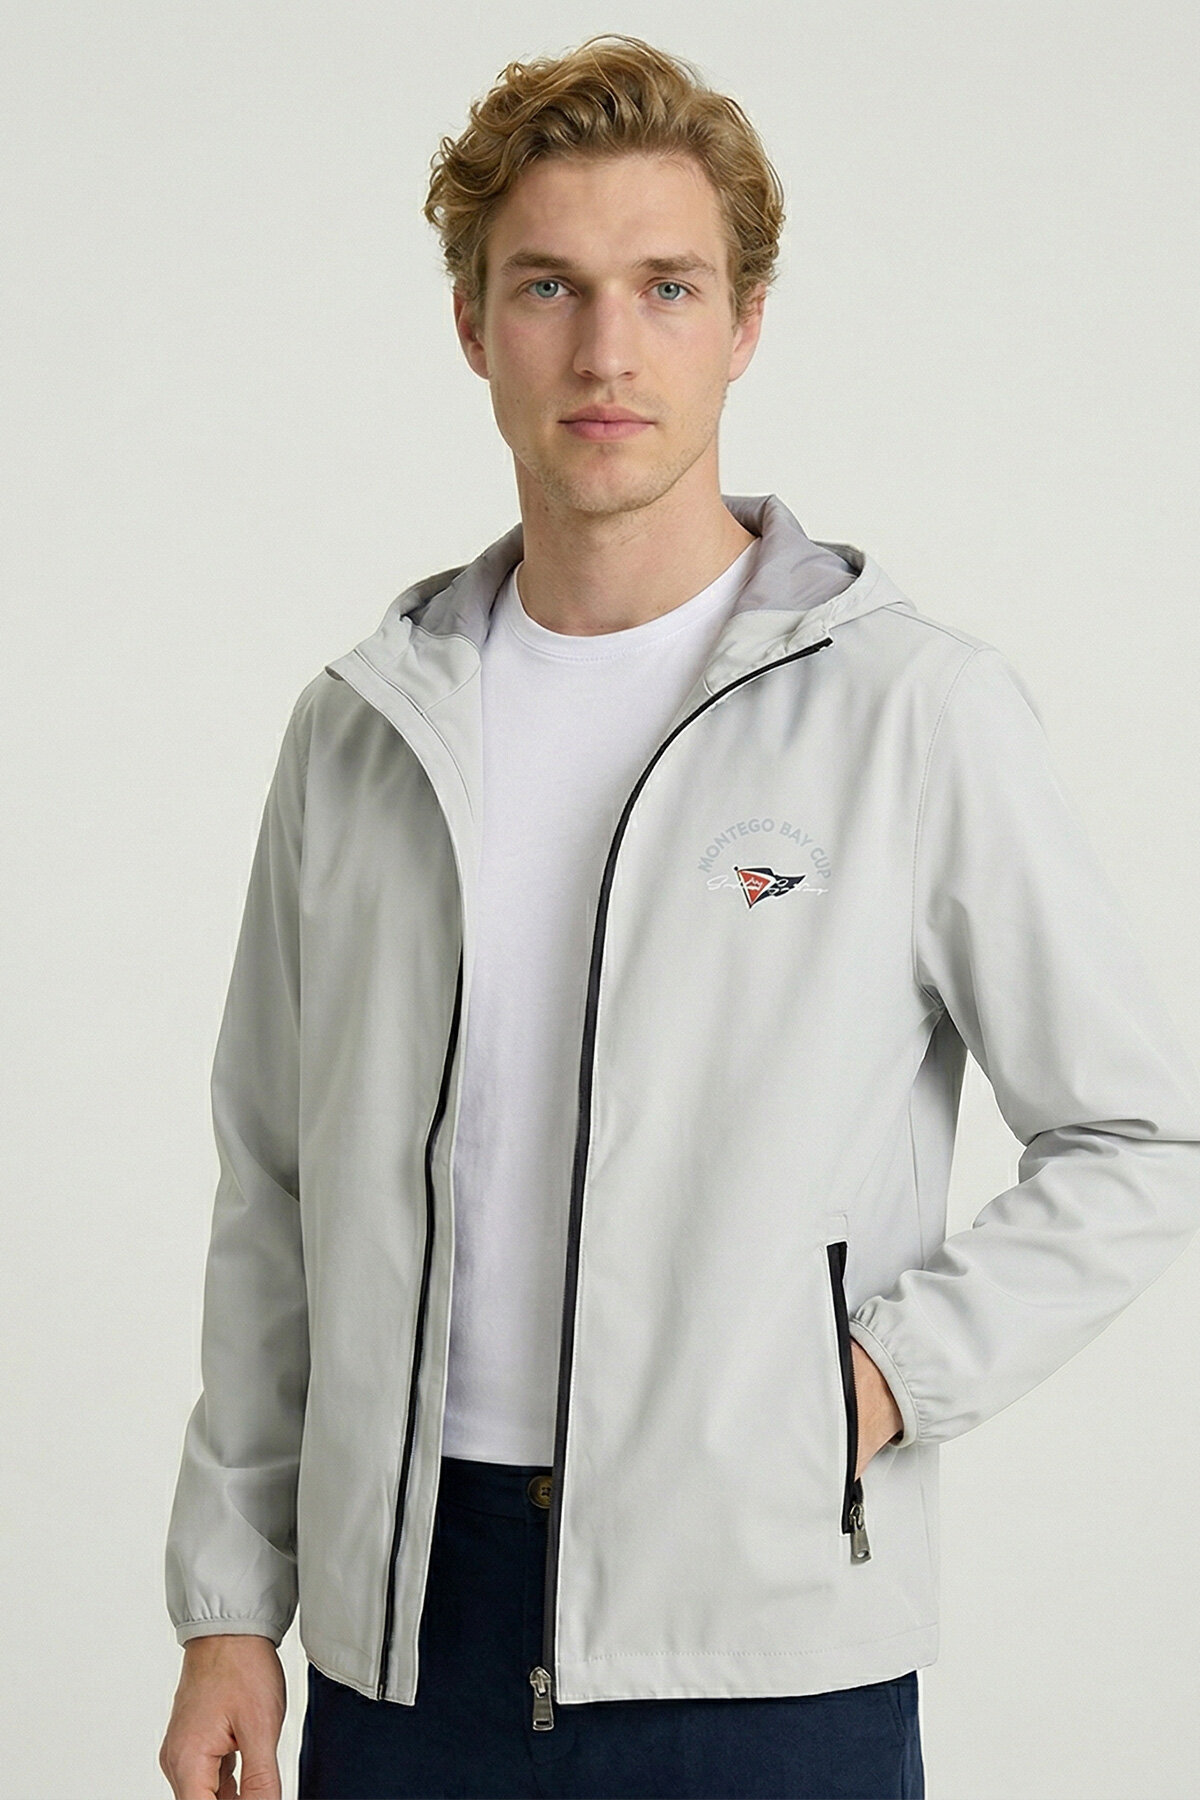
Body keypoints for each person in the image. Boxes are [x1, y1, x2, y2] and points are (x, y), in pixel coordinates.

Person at [158, 32, 1200, 1800]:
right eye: (547, 287)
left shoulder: (908, 713)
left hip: (762, 1638)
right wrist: (227, 1607)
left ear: (746, 322)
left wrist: (869, 1385)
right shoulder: (359, 734)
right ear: (472, 324)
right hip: (404, 1631)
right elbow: (272, 1190)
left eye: (666, 286)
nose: (607, 350)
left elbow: (1139, 1136)